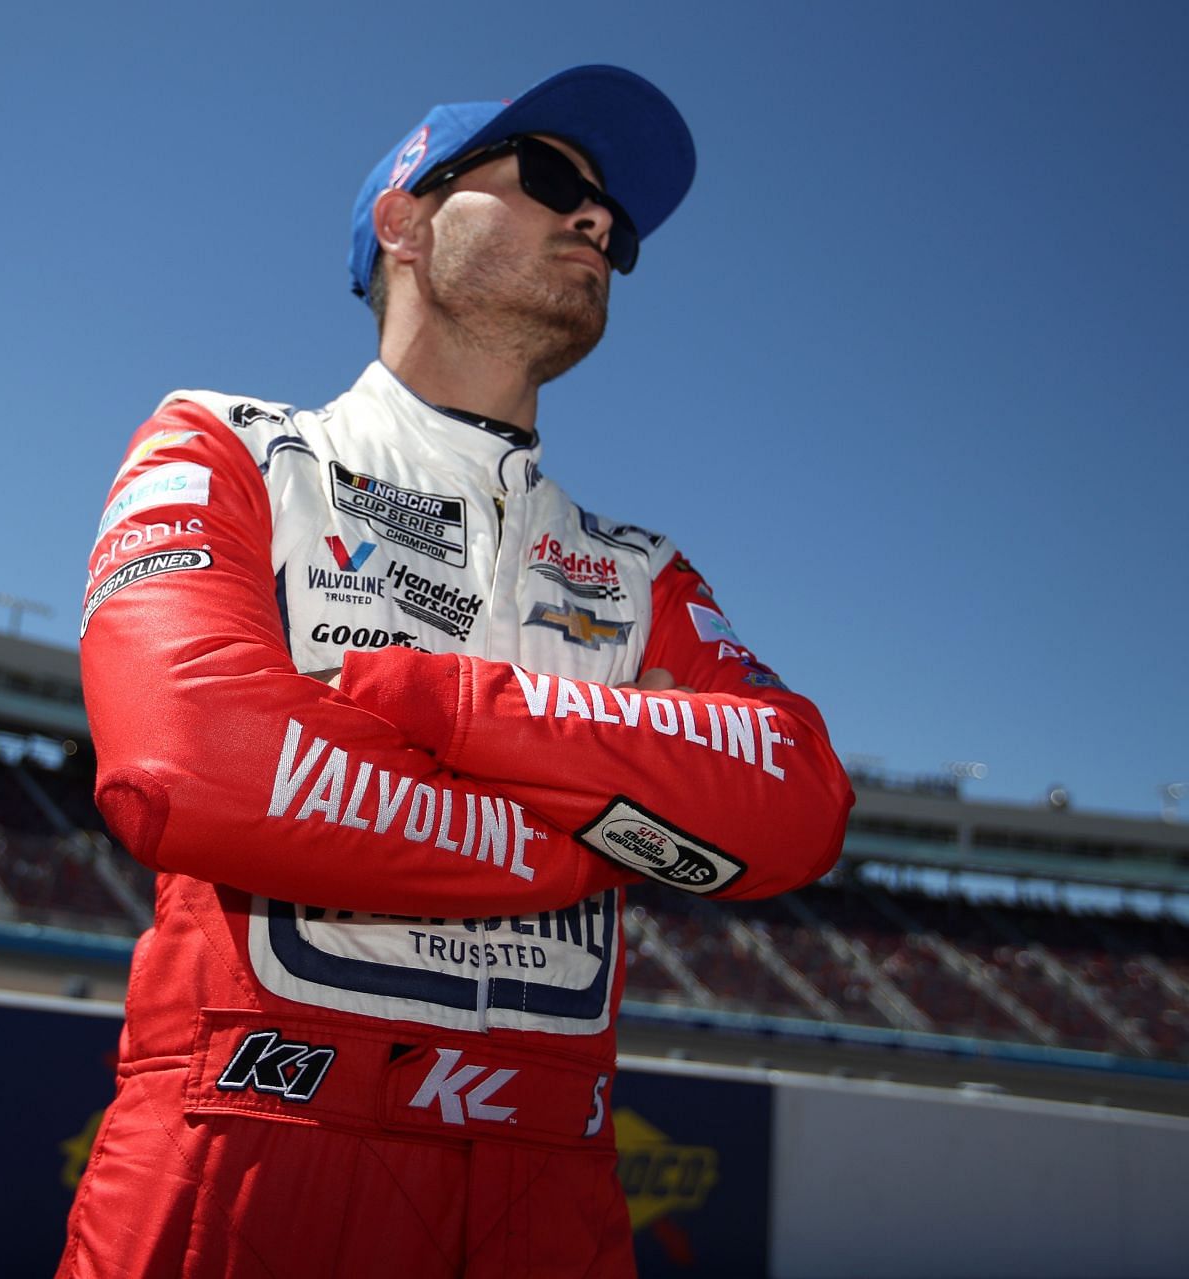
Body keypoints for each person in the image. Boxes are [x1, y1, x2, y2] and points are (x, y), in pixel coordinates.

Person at [63, 65, 854, 1277]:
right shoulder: (229, 445)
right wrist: (580, 831)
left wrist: (450, 705)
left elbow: (795, 803)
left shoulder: (639, 571)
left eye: (616, 221)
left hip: (555, 1187)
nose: (597, 221)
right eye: (550, 179)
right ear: (404, 221)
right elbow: (194, 770)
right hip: (251, 1151)